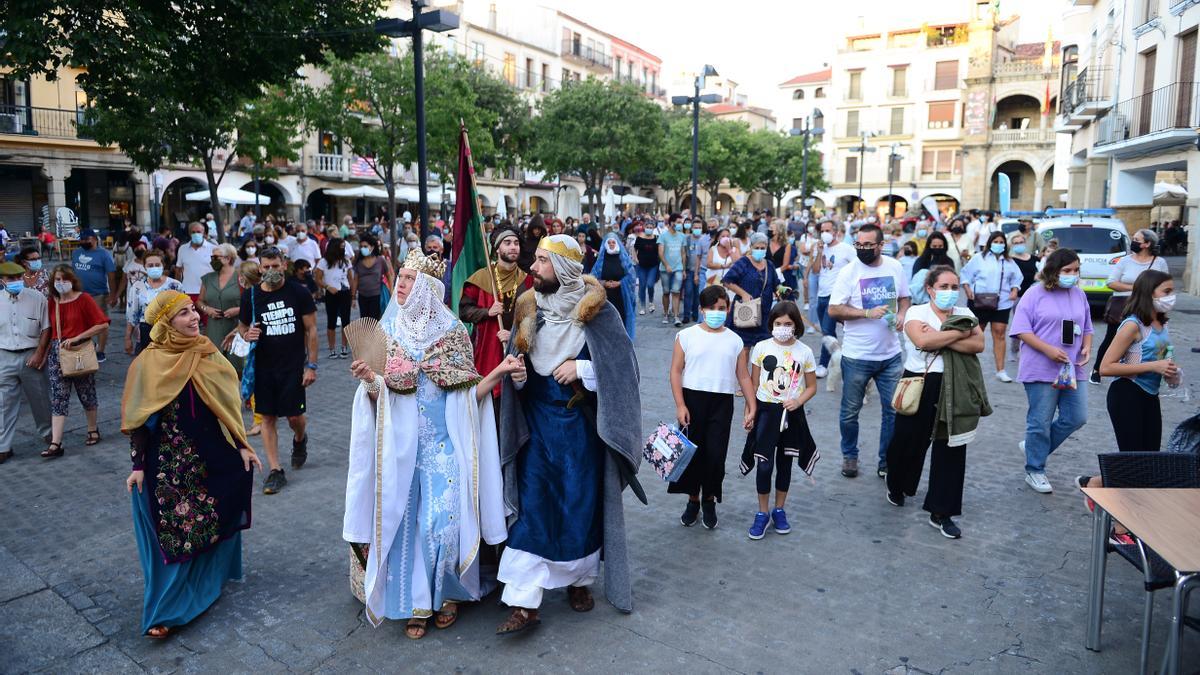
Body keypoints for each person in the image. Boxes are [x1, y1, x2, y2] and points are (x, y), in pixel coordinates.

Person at [344, 250, 516, 639]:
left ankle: (450, 594)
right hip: (403, 450)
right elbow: (380, 397)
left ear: (427, 288)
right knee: (405, 526)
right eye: (400, 277)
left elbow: (469, 394)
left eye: (408, 279)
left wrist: (498, 373)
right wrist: (369, 380)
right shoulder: (389, 334)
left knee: (441, 524)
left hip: (445, 449)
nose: (400, 285)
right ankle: (415, 602)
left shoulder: (454, 333)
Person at [495, 235, 643, 634]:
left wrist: (583, 371)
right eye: (536, 260)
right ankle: (525, 602)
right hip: (537, 434)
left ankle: (579, 582)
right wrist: (520, 379)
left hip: (580, 433)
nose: (533, 268)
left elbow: (625, 373)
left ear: (562, 270)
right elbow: (517, 383)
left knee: (579, 505)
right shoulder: (528, 311)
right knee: (533, 510)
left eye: (542, 261)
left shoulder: (599, 315)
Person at [121, 290, 262, 638]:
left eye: (193, 311)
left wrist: (242, 445)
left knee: (214, 515)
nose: (194, 318)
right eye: (183, 314)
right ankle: (165, 611)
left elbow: (225, 404)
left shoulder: (207, 351)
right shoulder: (148, 362)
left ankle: (207, 585)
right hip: (168, 462)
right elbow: (138, 420)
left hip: (212, 454)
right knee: (171, 531)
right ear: (166, 323)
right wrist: (138, 465)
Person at [885, 266, 986, 539]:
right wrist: (960, 334)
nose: (950, 292)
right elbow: (921, 340)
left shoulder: (966, 314)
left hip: (956, 386)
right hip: (920, 383)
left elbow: (979, 345)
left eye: (954, 287)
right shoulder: (917, 312)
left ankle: (942, 512)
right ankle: (897, 484)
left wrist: (939, 336)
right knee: (906, 441)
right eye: (944, 287)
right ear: (930, 288)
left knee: (951, 448)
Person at [828, 223, 912, 479]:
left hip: (891, 355)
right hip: (856, 356)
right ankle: (850, 456)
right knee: (850, 412)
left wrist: (901, 314)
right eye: (859, 244)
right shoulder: (849, 272)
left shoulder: (895, 267)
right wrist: (865, 312)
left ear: (880, 245)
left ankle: (886, 461)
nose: (863, 249)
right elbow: (834, 309)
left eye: (868, 245)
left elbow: (905, 298)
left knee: (893, 410)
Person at [668, 285, 754, 529]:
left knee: (716, 455)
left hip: (721, 403)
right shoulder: (686, 336)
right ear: (702, 310)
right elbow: (675, 371)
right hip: (692, 400)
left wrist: (752, 405)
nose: (717, 312)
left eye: (722, 308)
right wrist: (680, 404)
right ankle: (692, 499)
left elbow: (744, 376)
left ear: (728, 309)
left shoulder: (735, 341)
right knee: (692, 453)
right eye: (712, 308)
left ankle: (709, 499)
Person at [1009, 249, 1092, 494]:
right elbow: (1022, 330)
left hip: (1071, 366)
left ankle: (1034, 447)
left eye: (1076, 270)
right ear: (1054, 270)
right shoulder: (1034, 294)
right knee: (1040, 421)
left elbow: (1086, 326)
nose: (1072, 275)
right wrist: (1048, 350)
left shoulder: (1079, 294)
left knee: (1077, 417)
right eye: (1067, 270)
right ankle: (1035, 470)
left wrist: (1086, 346)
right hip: (1041, 365)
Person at [236, 248, 318, 495]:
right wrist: (246, 334)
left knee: (294, 418)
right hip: (263, 368)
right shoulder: (251, 296)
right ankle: (275, 470)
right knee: (268, 418)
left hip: (292, 367)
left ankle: (300, 439)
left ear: (284, 265)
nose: (271, 271)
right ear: (259, 268)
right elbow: (241, 327)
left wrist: (311, 365)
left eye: (275, 266)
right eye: (266, 267)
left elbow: (311, 331)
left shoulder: (298, 293)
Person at [742, 301, 817, 540]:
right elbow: (753, 385)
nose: (782, 328)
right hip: (765, 412)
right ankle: (762, 513)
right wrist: (749, 411)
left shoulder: (804, 351)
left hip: (792, 414)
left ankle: (779, 510)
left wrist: (799, 401)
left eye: (787, 324)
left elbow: (812, 386)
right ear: (771, 324)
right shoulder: (761, 348)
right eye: (777, 323)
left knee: (785, 464)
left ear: (796, 326)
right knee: (764, 464)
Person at [1098, 270, 1179, 451]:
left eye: (1172, 292)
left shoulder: (1162, 323)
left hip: (1151, 395)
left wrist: (1172, 372)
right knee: (1134, 459)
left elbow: (1162, 357)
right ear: (1149, 292)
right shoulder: (1132, 325)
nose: (1171, 297)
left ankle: (1093, 481)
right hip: (1127, 393)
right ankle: (1095, 481)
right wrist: (1154, 366)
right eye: (1166, 292)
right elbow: (1105, 367)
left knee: (1149, 460)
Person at [44, 266, 110, 458]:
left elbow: (102, 324)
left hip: (79, 350)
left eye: (65, 279)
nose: (61, 283)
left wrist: (78, 337)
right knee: (58, 397)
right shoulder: (52, 302)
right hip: (58, 353)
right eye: (57, 280)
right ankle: (56, 443)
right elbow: (48, 330)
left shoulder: (84, 299)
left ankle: (92, 429)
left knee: (86, 392)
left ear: (72, 280)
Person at [459, 226, 532, 396]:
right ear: (497, 249)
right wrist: (486, 312)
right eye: (507, 243)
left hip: (517, 351)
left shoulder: (528, 281)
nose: (513, 247)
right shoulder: (482, 278)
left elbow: (534, 319)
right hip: (487, 349)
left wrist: (514, 336)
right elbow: (463, 311)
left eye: (516, 243)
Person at [1090, 229, 1169, 385]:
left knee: (1149, 339)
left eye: (1137, 239)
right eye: (1133, 238)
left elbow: (1165, 286)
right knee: (1112, 338)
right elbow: (1111, 282)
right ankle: (1098, 369)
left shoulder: (1159, 262)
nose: (1133, 242)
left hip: (1148, 307)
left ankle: (1145, 369)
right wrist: (1137, 288)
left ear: (1147, 244)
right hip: (1123, 306)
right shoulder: (1125, 261)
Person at [0, 261, 52, 463]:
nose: (16, 281)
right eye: (11, 279)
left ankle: (50, 436)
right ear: (2, 280)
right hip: (4, 355)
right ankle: (3, 446)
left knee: (40, 398)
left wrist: (40, 353)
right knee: (4, 403)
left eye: (18, 278)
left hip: (31, 353)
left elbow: (46, 328)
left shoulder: (36, 298)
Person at [961, 231, 1023, 383]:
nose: (999, 244)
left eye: (1002, 242)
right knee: (976, 333)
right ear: (989, 242)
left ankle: (1000, 370)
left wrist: (1015, 290)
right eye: (996, 241)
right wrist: (967, 289)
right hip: (979, 301)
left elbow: (1017, 277)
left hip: (1001, 302)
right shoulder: (979, 258)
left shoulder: (1009, 261)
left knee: (1000, 333)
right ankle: (966, 368)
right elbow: (965, 274)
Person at [723, 232, 780, 356]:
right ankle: (743, 375)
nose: (760, 250)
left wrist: (782, 290)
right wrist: (743, 293)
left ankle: (758, 376)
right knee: (744, 349)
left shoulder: (769, 265)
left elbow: (776, 284)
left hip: (764, 315)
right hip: (746, 311)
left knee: (764, 351)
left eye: (762, 248)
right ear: (751, 247)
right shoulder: (743, 262)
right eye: (757, 248)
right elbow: (727, 281)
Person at [812, 220, 855, 377]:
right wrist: (818, 253)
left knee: (827, 329)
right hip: (821, 294)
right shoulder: (821, 249)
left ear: (836, 232)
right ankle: (839, 358)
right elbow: (816, 270)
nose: (825, 233)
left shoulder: (846, 249)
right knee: (827, 331)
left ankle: (823, 364)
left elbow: (857, 268)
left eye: (828, 230)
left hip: (836, 295)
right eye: (822, 230)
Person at [70, 228, 116, 361]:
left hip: (98, 294)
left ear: (95, 239)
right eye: (82, 239)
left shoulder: (104, 254)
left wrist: (113, 295)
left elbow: (111, 275)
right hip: (78, 294)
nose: (84, 242)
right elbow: (73, 272)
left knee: (100, 323)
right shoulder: (76, 253)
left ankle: (100, 350)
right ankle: (86, 346)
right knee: (80, 323)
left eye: (87, 239)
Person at [126, 250, 183, 354]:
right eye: (150, 265)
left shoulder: (175, 285)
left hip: (170, 330)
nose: (154, 267)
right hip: (146, 331)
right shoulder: (137, 287)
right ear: (145, 266)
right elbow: (132, 315)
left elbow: (184, 310)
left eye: (157, 265)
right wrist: (128, 338)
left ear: (163, 265)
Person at [197, 244, 244, 369]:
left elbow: (253, 301)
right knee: (214, 368)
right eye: (212, 257)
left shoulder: (241, 277)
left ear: (228, 258)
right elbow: (200, 301)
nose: (213, 260)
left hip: (238, 329)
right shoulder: (207, 279)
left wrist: (239, 310)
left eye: (216, 257)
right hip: (214, 330)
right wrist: (207, 309)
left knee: (237, 368)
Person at [591, 232, 636, 340]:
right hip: (605, 296)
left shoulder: (623, 259)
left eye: (613, 242)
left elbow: (631, 277)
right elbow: (592, 278)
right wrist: (603, 283)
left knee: (621, 317)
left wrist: (620, 283)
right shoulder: (601, 260)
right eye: (609, 242)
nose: (611, 244)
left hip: (621, 295)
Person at [315, 238, 353, 360]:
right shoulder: (323, 262)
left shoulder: (346, 261)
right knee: (331, 321)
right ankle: (332, 349)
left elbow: (350, 278)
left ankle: (344, 347)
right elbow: (318, 279)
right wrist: (327, 287)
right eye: (341, 246)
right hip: (331, 294)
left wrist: (353, 295)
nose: (343, 249)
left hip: (345, 292)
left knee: (346, 321)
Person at [175, 222, 215, 310]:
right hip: (188, 292)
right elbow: (178, 270)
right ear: (189, 233)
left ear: (204, 233)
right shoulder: (182, 249)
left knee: (208, 321)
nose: (196, 234)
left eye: (199, 232)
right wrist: (177, 289)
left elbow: (218, 271)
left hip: (208, 293)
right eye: (193, 232)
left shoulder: (213, 249)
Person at [350, 234, 391, 320]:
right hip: (362, 296)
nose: (362, 248)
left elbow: (388, 275)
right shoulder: (359, 261)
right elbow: (355, 280)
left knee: (375, 322)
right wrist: (353, 297)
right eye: (361, 246)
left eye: (365, 246)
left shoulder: (380, 260)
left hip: (376, 296)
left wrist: (391, 291)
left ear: (372, 247)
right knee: (365, 323)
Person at [658, 218, 687, 326]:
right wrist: (666, 265)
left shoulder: (682, 236)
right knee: (666, 292)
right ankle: (666, 314)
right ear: (671, 223)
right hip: (665, 269)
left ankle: (676, 316)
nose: (680, 224)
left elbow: (683, 253)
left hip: (678, 268)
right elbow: (660, 253)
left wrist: (683, 269)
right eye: (678, 222)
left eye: (681, 222)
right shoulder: (663, 236)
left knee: (676, 292)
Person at [632, 223, 660, 315]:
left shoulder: (656, 238)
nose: (649, 229)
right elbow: (634, 249)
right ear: (644, 228)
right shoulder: (640, 238)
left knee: (650, 284)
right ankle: (642, 305)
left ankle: (651, 301)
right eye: (647, 227)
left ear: (653, 228)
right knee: (642, 285)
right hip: (641, 265)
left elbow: (660, 250)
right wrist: (635, 258)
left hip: (653, 265)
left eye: (651, 227)